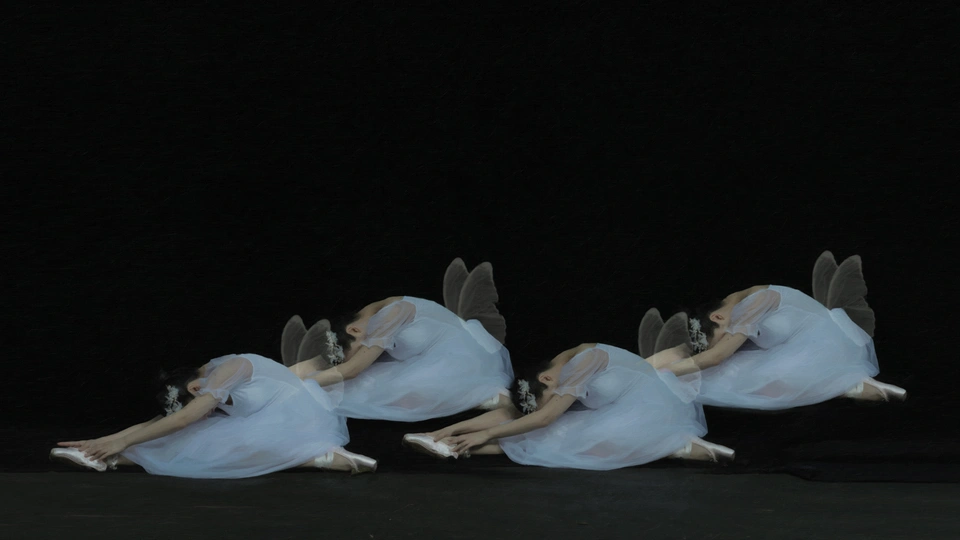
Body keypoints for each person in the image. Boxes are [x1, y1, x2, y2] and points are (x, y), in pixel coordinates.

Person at [402, 343, 734, 470]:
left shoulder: (577, 367)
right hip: (639, 407)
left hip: (644, 414)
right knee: (531, 427)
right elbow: (520, 413)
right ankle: (441, 437)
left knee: (547, 435)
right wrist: (444, 428)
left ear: (546, 380)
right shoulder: (564, 362)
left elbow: (543, 418)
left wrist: (484, 434)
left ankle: (455, 447)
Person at [647, 251, 906, 409]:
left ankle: (852, 384)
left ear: (717, 316)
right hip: (821, 346)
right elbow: (713, 340)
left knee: (714, 372)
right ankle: (856, 385)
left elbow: (716, 356)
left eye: (718, 336)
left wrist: (663, 374)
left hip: (819, 351)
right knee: (695, 363)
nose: (726, 338)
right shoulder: (742, 300)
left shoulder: (753, 304)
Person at [50, 353, 376, 477]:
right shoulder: (207, 376)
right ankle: (99, 455)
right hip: (285, 418)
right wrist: (104, 439)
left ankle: (321, 456)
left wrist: (120, 443)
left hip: (300, 419)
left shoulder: (229, 370)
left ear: (194, 389)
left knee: (201, 438)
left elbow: (182, 419)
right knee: (187, 432)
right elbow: (160, 422)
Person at [283, 258, 515, 421]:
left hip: (464, 360)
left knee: (355, 385)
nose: (347, 359)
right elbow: (320, 363)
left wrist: (300, 386)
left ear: (353, 330)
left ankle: (483, 394)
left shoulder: (391, 314)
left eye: (348, 354)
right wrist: (278, 378)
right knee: (345, 382)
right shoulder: (369, 317)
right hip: (440, 356)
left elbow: (351, 369)